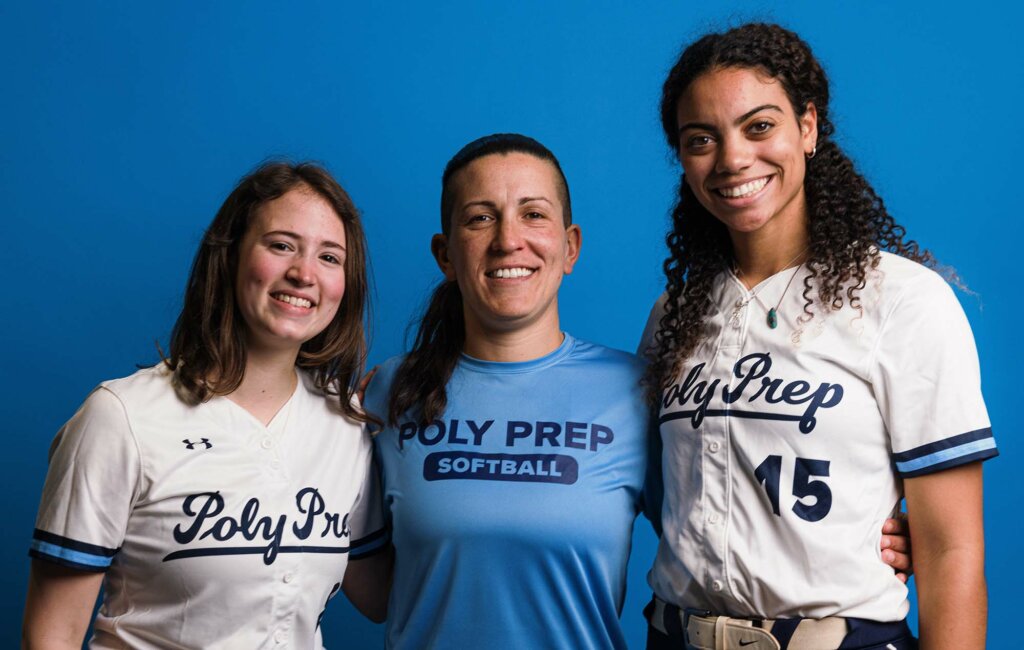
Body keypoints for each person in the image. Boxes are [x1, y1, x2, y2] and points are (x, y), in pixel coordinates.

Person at [362, 133, 912, 649]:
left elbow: (716, 511)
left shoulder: (634, 390)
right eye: (480, 218)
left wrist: (856, 535)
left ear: (570, 247)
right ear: (444, 254)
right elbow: (366, 582)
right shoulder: (388, 393)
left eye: (533, 214)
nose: (509, 240)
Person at [641, 23, 996, 650]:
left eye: (758, 126)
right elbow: (669, 493)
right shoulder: (676, 311)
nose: (732, 159)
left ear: (807, 127)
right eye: (702, 139)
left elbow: (952, 549)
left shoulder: (902, 301)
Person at [23, 162, 390, 649]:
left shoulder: (347, 424)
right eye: (281, 245)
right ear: (230, 255)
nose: (304, 274)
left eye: (329, 257)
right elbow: (54, 634)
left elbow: (383, 597)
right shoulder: (121, 417)